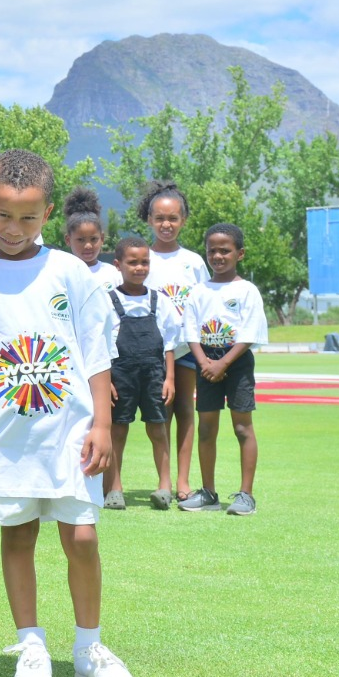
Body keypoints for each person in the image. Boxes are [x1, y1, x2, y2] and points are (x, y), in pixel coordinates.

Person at [0, 150, 135, 677]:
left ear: (47, 214)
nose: (14, 229)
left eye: (28, 217)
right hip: (7, 435)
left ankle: (89, 648)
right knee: (18, 536)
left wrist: (103, 426)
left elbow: (96, 353)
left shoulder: (71, 272)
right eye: (2, 216)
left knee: (82, 537)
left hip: (69, 432)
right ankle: (32, 644)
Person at [180, 223, 268, 516]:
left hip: (237, 362)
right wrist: (205, 363)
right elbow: (191, 331)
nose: (218, 256)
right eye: (212, 250)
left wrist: (223, 363)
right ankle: (208, 493)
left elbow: (249, 333)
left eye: (225, 250)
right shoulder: (198, 291)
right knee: (206, 429)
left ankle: (245, 495)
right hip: (205, 364)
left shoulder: (246, 290)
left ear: (240, 254)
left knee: (242, 427)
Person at [139, 181, 208, 502]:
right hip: (153, 352)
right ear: (149, 219)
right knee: (159, 414)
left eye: (173, 218)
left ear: (184, 220)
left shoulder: (193, 261)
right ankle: (163, 481)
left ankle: (183, 481)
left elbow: (206, 302)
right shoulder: (142, 259)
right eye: (159, 218)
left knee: (184, 410)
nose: (166, 225)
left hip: (187, 348)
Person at [106, 236, 184, 511]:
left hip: (154, 373)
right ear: (118, 265)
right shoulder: (107, 301)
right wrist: (107, 382)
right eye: (132, 262)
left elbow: (170, 343)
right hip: (120, 375)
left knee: (158, 428)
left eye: (144, 262)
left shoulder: (159, 301)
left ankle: (165, 486)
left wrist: (170, 378)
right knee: (117, 431)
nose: (139, 268)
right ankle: (114, 488)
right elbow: (100, 344)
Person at [63, 188, 122, 292]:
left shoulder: (113, 274)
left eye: (94, 239)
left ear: (102, 238)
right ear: (68, 240)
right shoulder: (63, 274)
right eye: (81, 240)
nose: (88, 246)